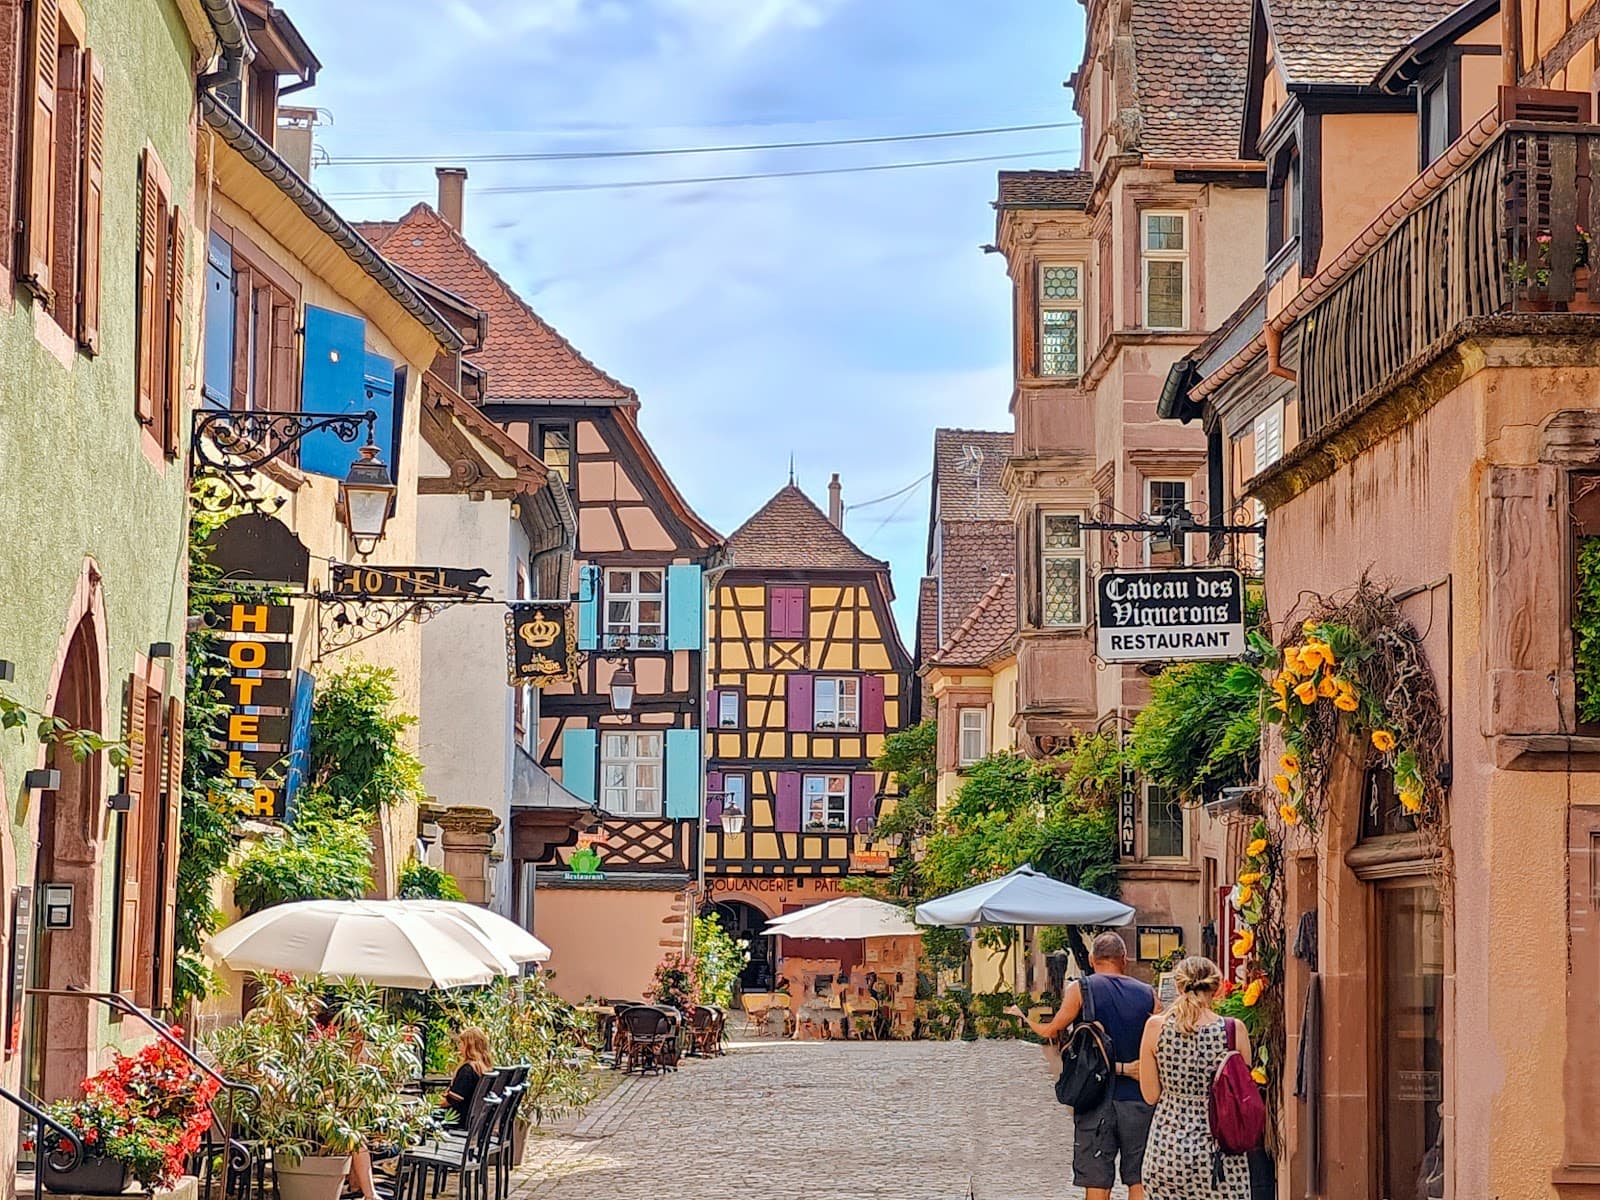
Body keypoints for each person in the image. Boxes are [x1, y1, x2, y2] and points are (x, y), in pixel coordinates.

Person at [1008, 932, 1159, 1200]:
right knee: (1139, 1181)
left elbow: (1051, 1030)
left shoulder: (1081, 989)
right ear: (1124, 958)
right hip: (1139, 1099)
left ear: (1091, 959)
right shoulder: (1148, 994)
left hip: (1095, 1100)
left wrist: (1024, 1018)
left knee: (1097, 1183)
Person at [1137, 956, 1251, 1200]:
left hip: (1167, 1148)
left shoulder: (1156, 1028)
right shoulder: (1234, 1030)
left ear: (1179, 987)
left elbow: (1150, 1095)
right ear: (1216, 988)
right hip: (1220, 1152)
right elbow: (1243, 1093)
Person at [441, 1027, 493, 1127]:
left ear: (469, 1046)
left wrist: (430, 1104)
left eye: (461, 1043)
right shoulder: (483, 1068)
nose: (459, 1046)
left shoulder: (467, 1071)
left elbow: (452, 1101)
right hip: (475, 1122)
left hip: (458, 1121)